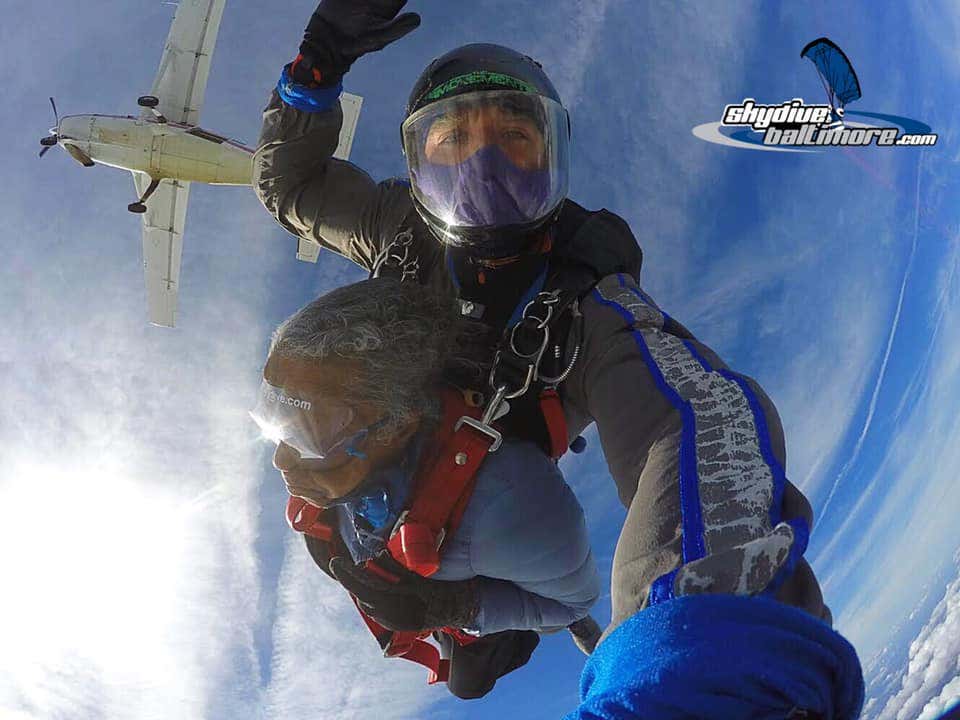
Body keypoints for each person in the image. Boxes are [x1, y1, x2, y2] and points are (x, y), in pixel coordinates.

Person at [253, 2, 864, 715]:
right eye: (453, 139)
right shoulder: (397, 227)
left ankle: (491, 630)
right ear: (419, 167)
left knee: (472, 675)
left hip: (478, 508)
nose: (483, 165)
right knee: (345, 522)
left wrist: (708, 653)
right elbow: (292, 185)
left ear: (552, 158)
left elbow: (691, 415)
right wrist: (316, 65)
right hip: (360, 467)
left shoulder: (585, 296)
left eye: (513, 136)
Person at [251, 277, 600, 699]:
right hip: (408, 555)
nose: (281, 459)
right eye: (276, 417)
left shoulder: (510, 508)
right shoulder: (335, 477)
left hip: (492, 581)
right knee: (335, 550)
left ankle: (509, 639)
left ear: (398, 426)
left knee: (468, 685)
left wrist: (456, 605)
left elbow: (574, 602)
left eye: (312, 432)